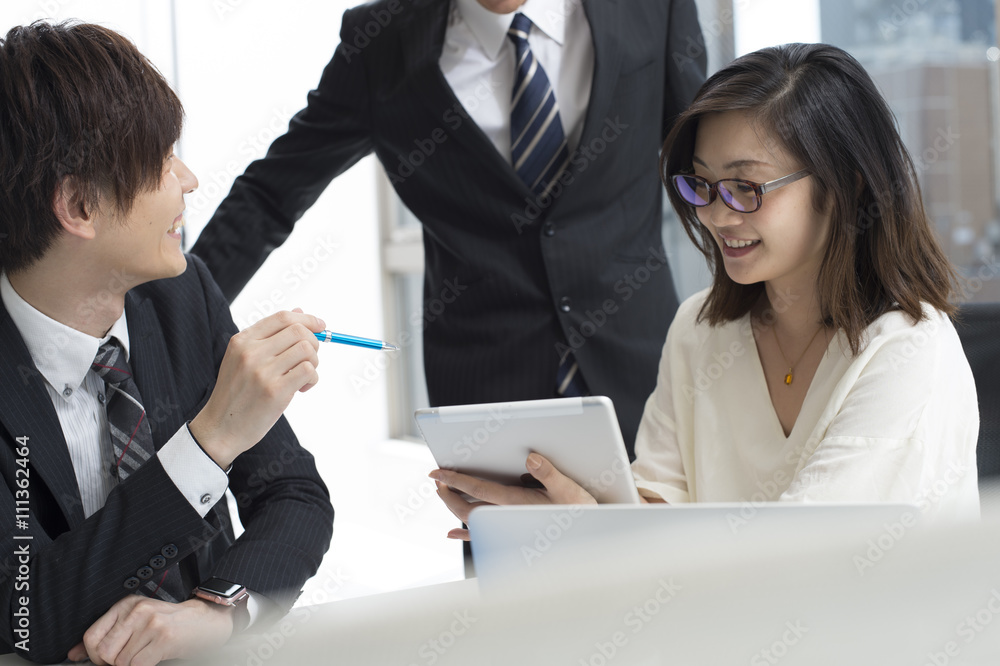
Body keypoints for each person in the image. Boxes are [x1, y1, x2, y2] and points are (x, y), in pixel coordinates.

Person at [430, 42, 981, 537]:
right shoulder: (700, 329)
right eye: (701, 183)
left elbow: (809, 556)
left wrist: (589, 526)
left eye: (746, 186)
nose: (717, 214)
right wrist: (556, 518)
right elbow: (658, 504)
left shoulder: (909, 349)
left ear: (848, 185)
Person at [190, 0, 707, 456]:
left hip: (646, 363)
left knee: (670, 556)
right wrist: (168, 313)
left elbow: (708, 165)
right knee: (511, 567)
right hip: (488, 393)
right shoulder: (381, 45)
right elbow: (270, 195)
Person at [0, 21, 334, 664]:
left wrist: (220, 611)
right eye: (159, 162)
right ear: (79, 208)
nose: (187, 179)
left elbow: (294, 495)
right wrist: (209, 442)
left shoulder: (182, 297)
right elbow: (24, 614)